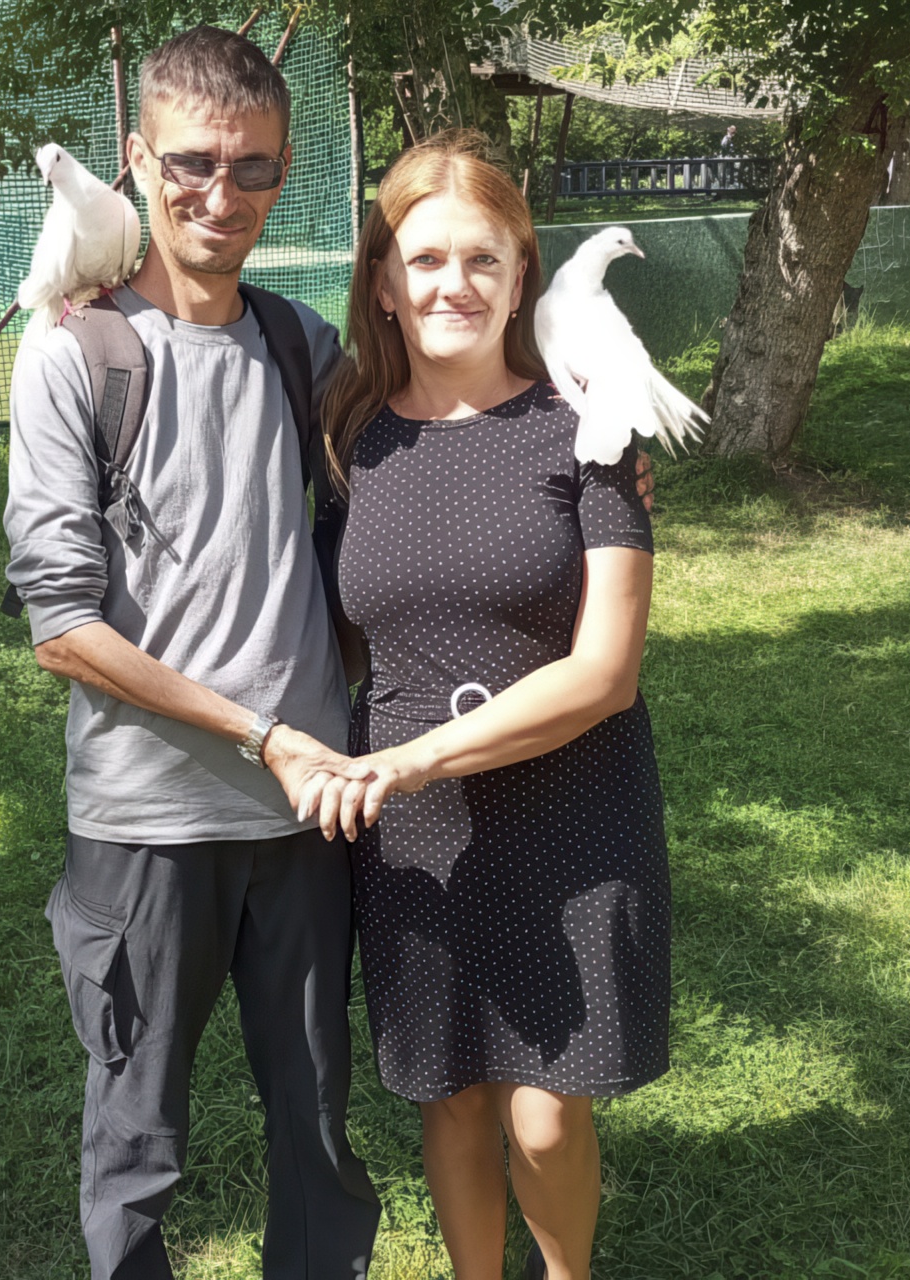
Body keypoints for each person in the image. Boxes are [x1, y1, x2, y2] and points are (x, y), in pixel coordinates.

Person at [2, 26, 382, 1279]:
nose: (223, 195)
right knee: (135, 1149)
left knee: (317, 1129)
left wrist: (584, 444)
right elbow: (64, 629)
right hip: (147, 824)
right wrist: (263, 732)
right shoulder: (77, 352)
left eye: (254, 167)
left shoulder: (303, 346)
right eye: (193, 163)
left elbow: (418, 478)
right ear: (136, 157)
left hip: (303, 819)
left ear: (284, 172)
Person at [307, 132, 671, 1280]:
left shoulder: (589, 427)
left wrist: (416, 758)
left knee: (547, 1116)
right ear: (383, 282)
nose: (451, 284)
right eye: (424, 260)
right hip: (414, 832)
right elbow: (337, 627)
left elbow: (607, 671)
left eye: (482, 259)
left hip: (570, 803)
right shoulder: (350, 438)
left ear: (522, 278)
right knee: (454, 1093)